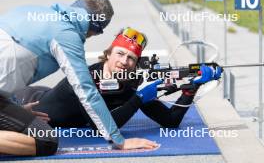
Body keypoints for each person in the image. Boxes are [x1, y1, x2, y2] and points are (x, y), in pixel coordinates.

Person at [0, 0, 153, 156]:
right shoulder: (66, 35)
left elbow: (10, 69)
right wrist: (119, 141)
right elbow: (86, 91)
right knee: (46, 140)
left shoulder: (32, 11)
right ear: (94, 28)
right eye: (96, 32)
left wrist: (16, 108)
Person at [14, 27, 222, 134]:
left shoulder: (131, 83)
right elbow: (101, 128)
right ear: (109, 53)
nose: (124, 62)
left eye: (131, 58)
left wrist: (191, 88)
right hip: (28, 100)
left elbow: (170, 121)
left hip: (47, 93)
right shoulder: (85, 79)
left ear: (136, 63)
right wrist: (139, 99)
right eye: (120, 54)